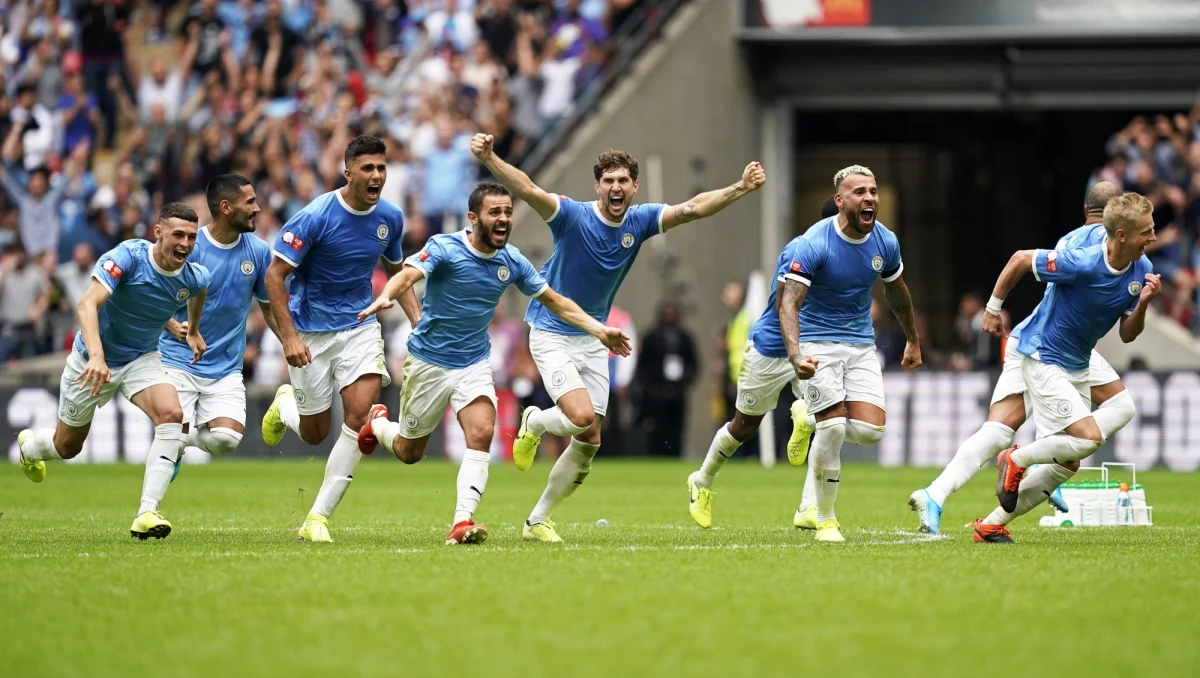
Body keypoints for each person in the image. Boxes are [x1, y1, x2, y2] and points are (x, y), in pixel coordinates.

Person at [470, 132, 766, 543]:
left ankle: (537, 520)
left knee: (590, 441)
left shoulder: (640, 220)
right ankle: (535, 422)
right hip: (552, 329)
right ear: (597, 185)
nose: (616, 188)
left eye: (623, 181)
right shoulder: (572, 216)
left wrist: (740, 186)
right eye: (608, 180)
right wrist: (491, 159)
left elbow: (694, 208)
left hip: (595, 337)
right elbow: (528, 188)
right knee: (581, 418)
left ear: (634, 186)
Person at [356, 182, 631, 545]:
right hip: (428, 362)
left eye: (507, 212)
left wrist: (599, 330)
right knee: (409, 452)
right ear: (473, 218)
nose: (503, 219)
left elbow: (556, 301)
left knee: (483, 431)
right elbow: (407, 275)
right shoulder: (445, 248)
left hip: (473, 362)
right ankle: (378, 424)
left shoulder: (512, 260)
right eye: (494, 213)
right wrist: (387, 297)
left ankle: (462, 521)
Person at [686, 166, 923, 542]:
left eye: (872, 193)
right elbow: (786, 305)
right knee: (744, 426)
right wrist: (796, 355)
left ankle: (810, 506)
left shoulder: (879, 241)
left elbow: (883, 290)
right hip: (774, 346)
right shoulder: (805, 248)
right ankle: (702, 479)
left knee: (834, 425)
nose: (868, 201)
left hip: (816, 346)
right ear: (838, 208)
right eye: (856, 196)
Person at [909, 181, 1140, 534]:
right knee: (1042, 442)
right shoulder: (1102, 248)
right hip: (1046, 346)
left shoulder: (1069, 240)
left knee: (1004, 431)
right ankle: (1022, 473)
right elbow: (1029, 265)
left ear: (1085, 211)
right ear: (1116, 219)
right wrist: (993, 308)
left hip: (1056, 344)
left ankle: (949, 494)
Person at [971, 192, 1159, 543]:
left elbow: (1128, 334)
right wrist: (993, 309)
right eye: (1146, 232)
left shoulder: (1141, 270)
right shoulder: (1083, 263)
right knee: (1087, 439)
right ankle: (1017, 458)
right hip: (1044, 355)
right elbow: (1020, 259)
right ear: (1121, 236)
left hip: (1079, 362)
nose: (1153, 238)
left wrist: (1144, 304)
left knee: (1074, 454)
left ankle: (991, 525)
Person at [15, 203, 211, 542]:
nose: (185, 243)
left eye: (192, 237)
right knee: (67, 447)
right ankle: (31, 449)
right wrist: (96, 356)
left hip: (141, 359)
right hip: (91, 361)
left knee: (172, 414)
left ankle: (147, 512)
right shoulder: (128, 257)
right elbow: (87, 304)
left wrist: (190, 329)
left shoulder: (194, 277)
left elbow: (195, 294)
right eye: (178, 234)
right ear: (158, 232)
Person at [259, 136, 420, 543]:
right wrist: (289, 338)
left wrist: (419, 324)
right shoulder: (314, 217)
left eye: (381, 168)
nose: (376, 176)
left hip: (360, 326)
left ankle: (317, 517)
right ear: (348, 173)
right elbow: (274, 276)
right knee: (314, 433)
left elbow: (399, 273)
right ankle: (285, 406)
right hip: (311, 331)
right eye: (367, 168)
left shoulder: (390, 218)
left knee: (358, 414)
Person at [146, 175, 280, 510]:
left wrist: (291, 343)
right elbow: (149, 296)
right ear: (226, 207)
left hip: (225, 368)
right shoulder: (190, 248)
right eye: (249, 202)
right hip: (178, 359)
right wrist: (175, 325)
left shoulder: (259, 251)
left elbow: (270, 307)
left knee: (226, 440)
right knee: (172, 428)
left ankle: (178, 440)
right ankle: (147, 511)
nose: (257, 208)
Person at [635, 300, 698, 456]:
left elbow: (694, 363)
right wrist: (649, 386)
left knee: (677, 427)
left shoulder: (684, 337)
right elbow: (642, 364)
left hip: (677, 390)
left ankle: (675, 454)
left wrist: (686, 383)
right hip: (656, 391)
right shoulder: (652, 336)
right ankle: (656, 456)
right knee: (656, 428)